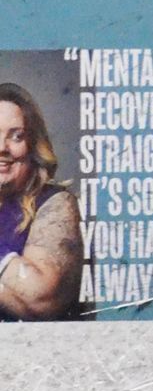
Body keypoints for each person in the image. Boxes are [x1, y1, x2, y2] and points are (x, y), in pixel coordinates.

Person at [0, 83, 82, 322]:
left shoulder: (54, 203)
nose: (2, 148)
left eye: (16, 136)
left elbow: (41, 298)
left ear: (33, 144)